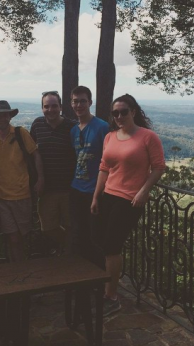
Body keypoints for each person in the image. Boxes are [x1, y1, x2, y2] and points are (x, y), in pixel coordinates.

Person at [91, 94, 166, 316]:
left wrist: (144, 191)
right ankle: (107, 288)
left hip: (130, 199)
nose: (119, 116)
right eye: (115, 113)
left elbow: (159, 167)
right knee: (102, 245)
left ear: (133, 111)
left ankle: (111, 296)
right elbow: (104, 168)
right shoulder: (110, 136)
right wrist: (96, 197)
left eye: (124, 111)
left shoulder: (147, 137)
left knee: (112, 246)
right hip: (108, 197)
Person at [0, 100, 44, 262]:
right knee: (12, 237)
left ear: (9, 116)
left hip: (22, 194)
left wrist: (40, 178)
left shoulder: (21, 133)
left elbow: (36, 155)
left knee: (21, 236)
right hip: (1, 197)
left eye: (5, 114)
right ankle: (17, 269)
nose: (2, 118)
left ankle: (19, 267)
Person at [30, 91, 76, 255]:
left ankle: (69, 259)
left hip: (69, 188)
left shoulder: (71, 127)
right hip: (47, 188)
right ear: (42, 108)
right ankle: (71, 248)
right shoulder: (37, 125)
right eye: (46, 106)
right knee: (48, 227)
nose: (50, 110)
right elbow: (32, 153)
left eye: (54, 106)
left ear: (61, 107)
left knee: (71, 225)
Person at [69, 86, 108, 266]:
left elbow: (109, 161)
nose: (79, 105)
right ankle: (83, 278)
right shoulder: (74, 130)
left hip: (96, 191)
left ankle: (99, 281)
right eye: (75, 101)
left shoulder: (102, 127)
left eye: (83, 101)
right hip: (77, 189)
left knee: (96, 237)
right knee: (80, 235)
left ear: (90, 102)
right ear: (71, 104)